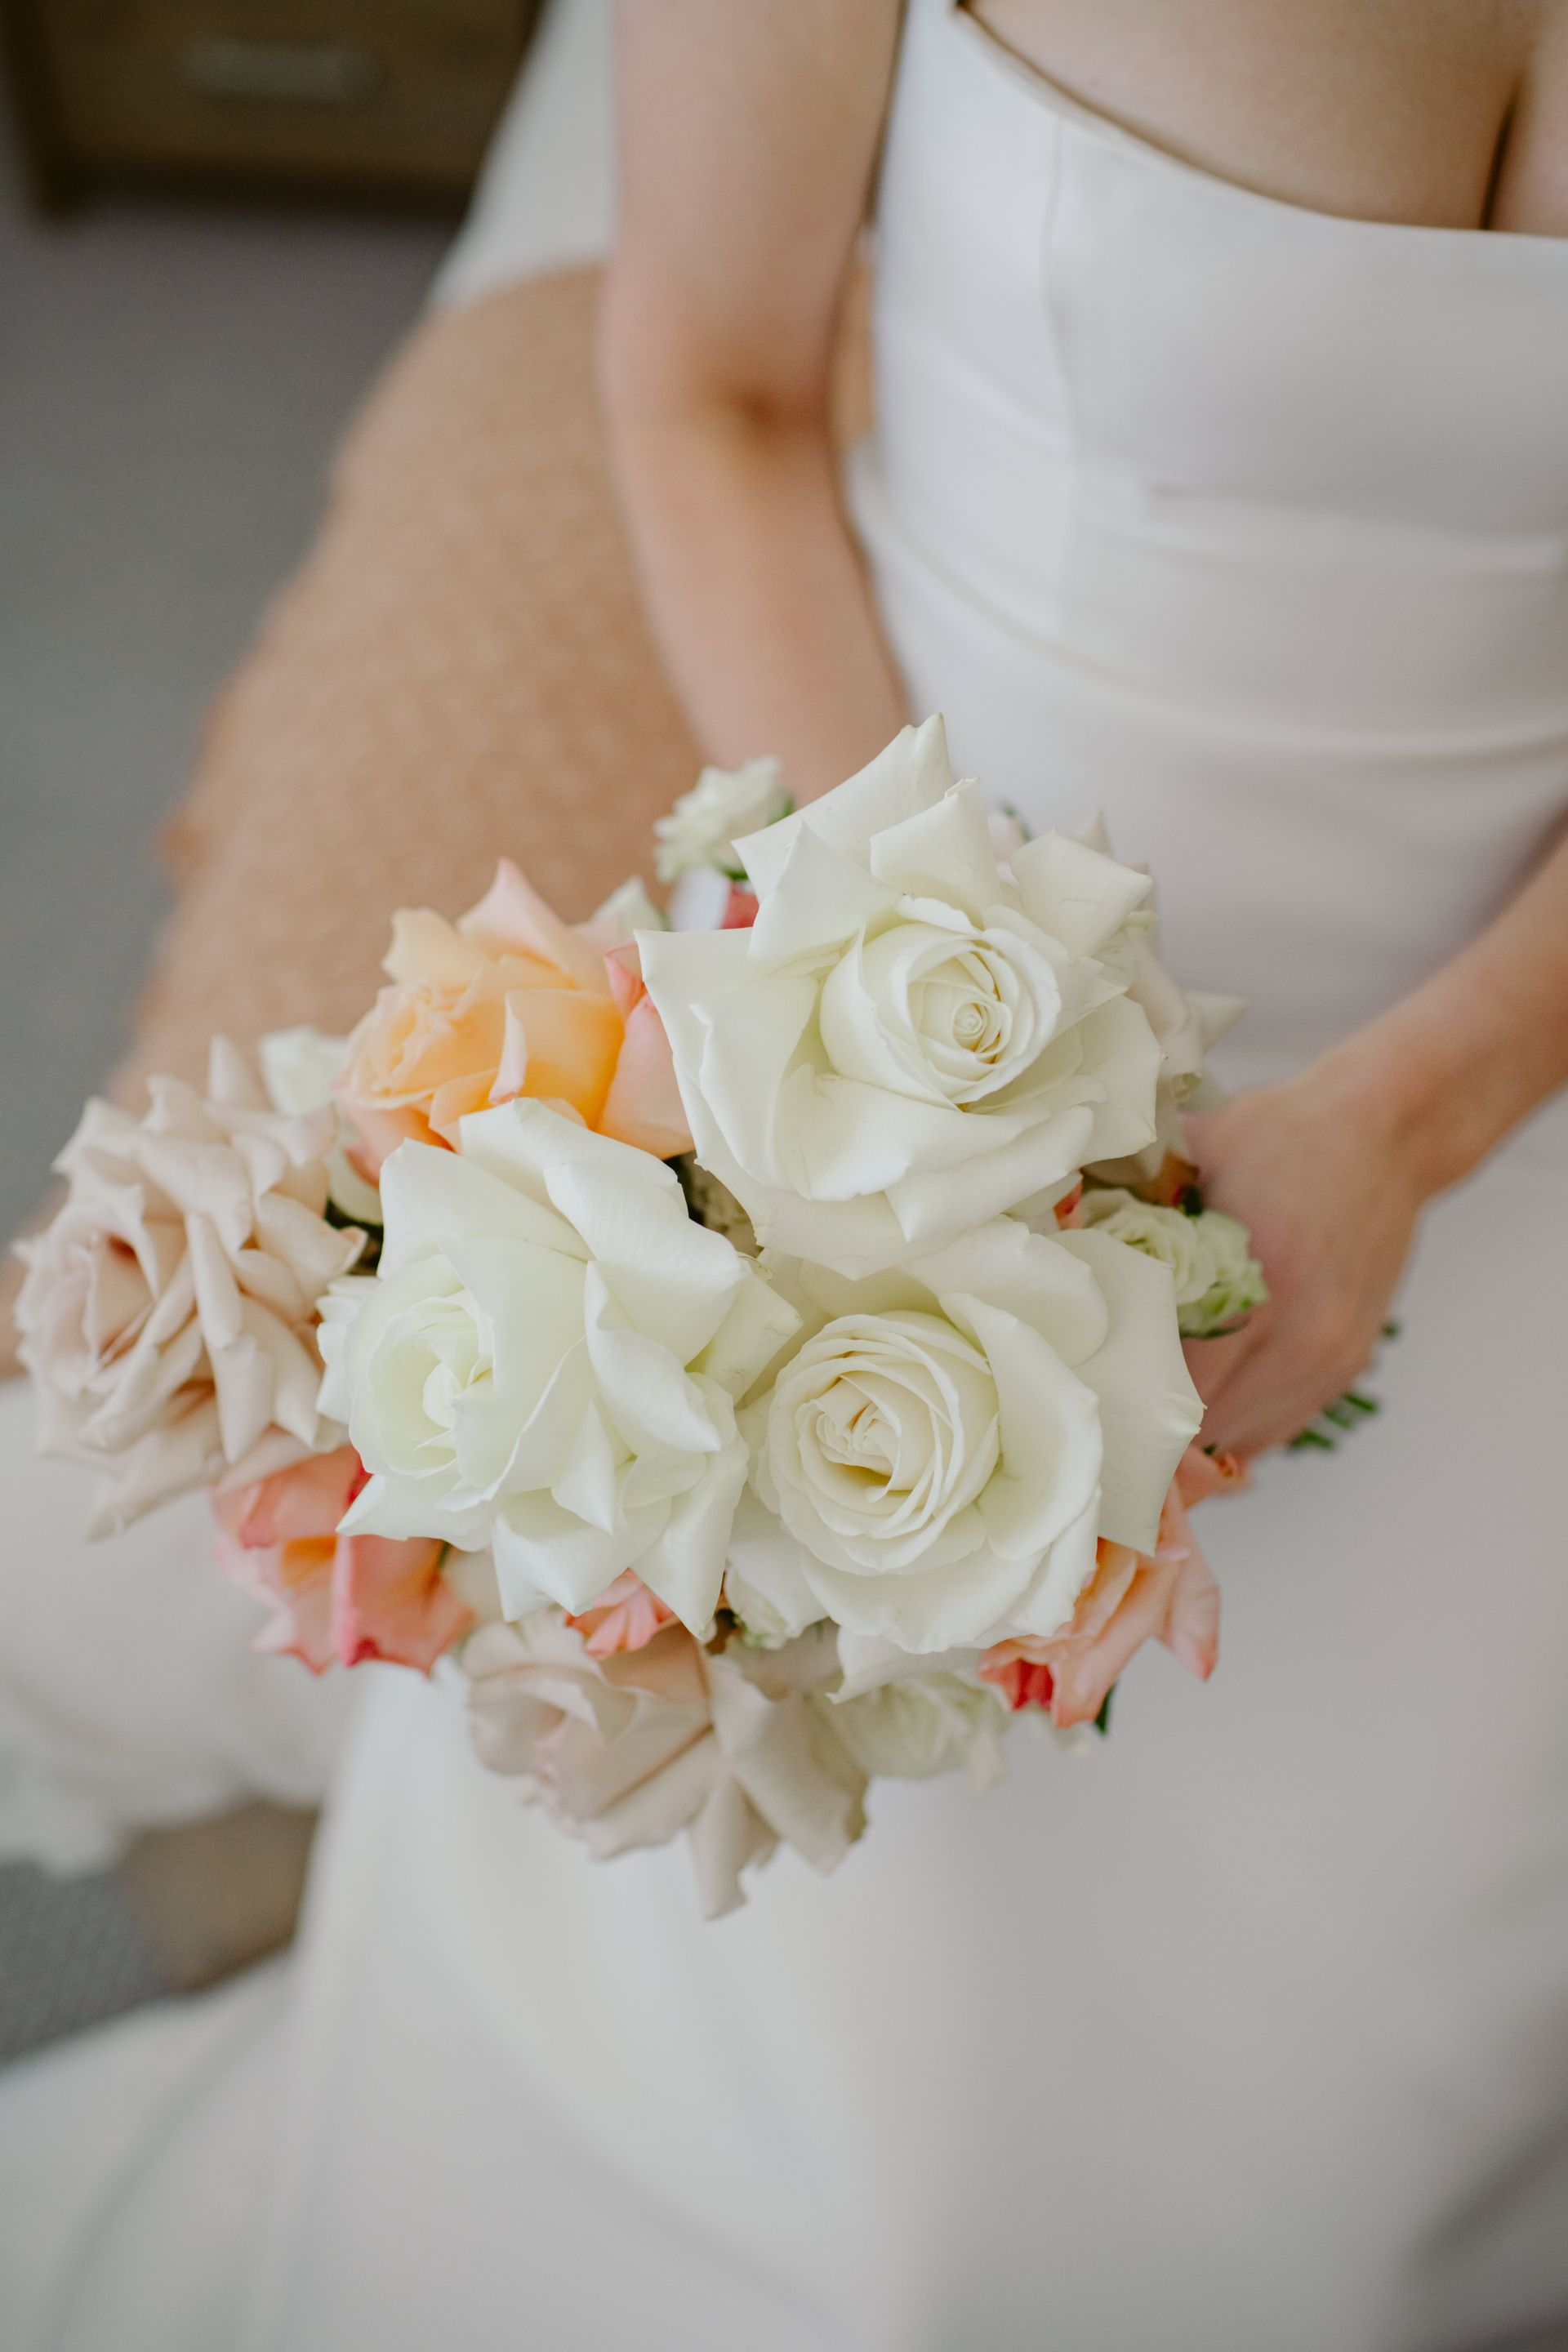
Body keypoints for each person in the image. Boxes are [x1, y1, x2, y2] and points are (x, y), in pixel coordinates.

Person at [3, 6, 1567, 2346]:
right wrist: (958, 1060)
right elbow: (709, 392)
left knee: (1325, 2173)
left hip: (1491, 1084)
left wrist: (1412, 1124)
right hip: (905, 982)